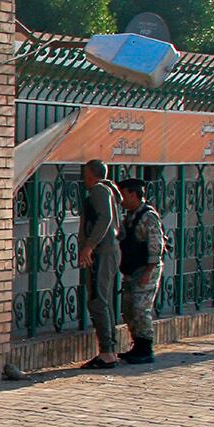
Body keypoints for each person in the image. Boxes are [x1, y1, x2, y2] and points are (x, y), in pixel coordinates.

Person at [77, 158, 121, 369]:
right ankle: (109, 348)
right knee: (102, 299)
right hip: (107, 251)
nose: (83, 178)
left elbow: (104, 218)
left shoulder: (100, 191)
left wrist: (89, 246)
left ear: (92, 174)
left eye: (86, 173)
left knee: (97, 299)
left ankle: (107, 351)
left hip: (102, 252)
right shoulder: (108, 191)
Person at [117, 177, 167, 364]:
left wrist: (148, 272)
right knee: (128, 309)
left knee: (140, 308)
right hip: (132, 269)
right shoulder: (130, 216)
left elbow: (156, 245)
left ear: (133, 193)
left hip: (146, 270)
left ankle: (146, 349)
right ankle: (137, 345)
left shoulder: (148, 216)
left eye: (123, 195)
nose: (122, 199)